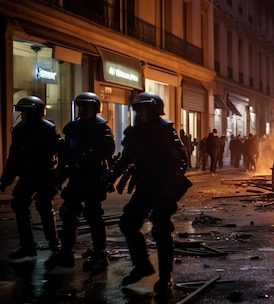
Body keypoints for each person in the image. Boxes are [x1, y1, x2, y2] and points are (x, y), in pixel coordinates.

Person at [104, 92, 192, 295]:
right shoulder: (135, 134)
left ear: (153, 110)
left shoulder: (165, 130)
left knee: (161, 230)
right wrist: (108, 177)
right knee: (128, 223)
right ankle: (142, 265)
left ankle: (165, 276)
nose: (140, 113)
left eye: (143, 109)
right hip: (145, 187)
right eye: (138, 109)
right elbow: (124, 160)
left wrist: (172, 184)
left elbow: (181, 160)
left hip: (163, 188)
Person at [45, 92, 115, 272]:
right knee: (68, 212)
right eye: (81, 106)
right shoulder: (73, 128)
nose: (83, 110)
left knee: (93, 214)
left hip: (93, 175)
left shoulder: (101, 127)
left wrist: (85, 156)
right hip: (76, 175)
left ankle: (100, 254)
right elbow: (67, 153)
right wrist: (60, 175)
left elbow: (108, 149)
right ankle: (66, 252)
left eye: (87, 107)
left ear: (95, 107)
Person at [0, 95, 62, 259]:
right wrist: (5, 180)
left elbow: (61, 151)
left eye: (26, 112)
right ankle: (27, 245)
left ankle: (54, 242)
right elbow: (13, 157)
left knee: (44, 205)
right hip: (28, 174)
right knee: (19, 204)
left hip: (44, 174)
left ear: (34, 113)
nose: (23, 116)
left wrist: (59, 177)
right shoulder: (20, 130)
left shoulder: (47, 129)